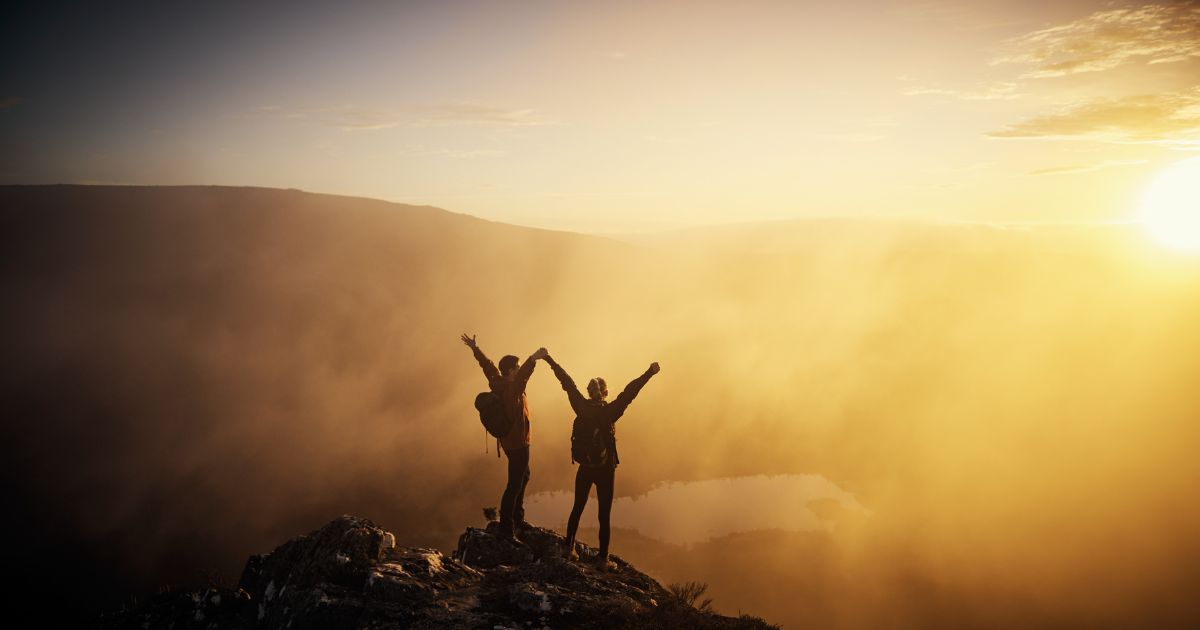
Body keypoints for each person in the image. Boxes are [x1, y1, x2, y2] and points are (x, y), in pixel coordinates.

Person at [544, 353, 659, 569]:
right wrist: (649, 373)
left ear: (589, 393)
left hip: (585, 467)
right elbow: (630, 392)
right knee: (603, 515)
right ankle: (603, 559)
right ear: (605, 393)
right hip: (606, 469)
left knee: (577, 507)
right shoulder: (610, 411)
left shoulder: (580, 406)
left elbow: (566, 382)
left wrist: (549, 360)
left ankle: (568, 548)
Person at [461, 334, 547, 542]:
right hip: (519, 443)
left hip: (509, 442)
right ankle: (508, 528)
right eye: (516, 367)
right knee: (515, 484)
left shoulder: (497, 382)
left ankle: (516, 519)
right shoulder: (513, 388)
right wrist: (534, 357)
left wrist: (475, 348)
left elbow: (488, 366)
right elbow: (524, 374)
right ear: (510, 371)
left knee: (524, 476)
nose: (518, 369)